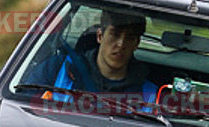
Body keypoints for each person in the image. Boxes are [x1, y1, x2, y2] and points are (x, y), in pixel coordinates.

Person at [27, 8, 156, 102]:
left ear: (136, 44)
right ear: (100, 36)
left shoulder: (149, 95)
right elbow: (21, 103)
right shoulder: (57, 69)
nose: (121, 44)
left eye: (129, 38)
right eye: (115, 34)